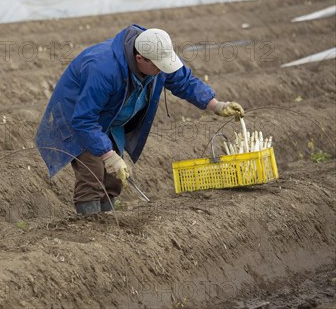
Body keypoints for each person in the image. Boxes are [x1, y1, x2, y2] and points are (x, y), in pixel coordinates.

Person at [35, 25, 244, 215]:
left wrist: (217, 105)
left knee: (115, 178)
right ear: (139, 59)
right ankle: (90, 228)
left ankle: (107, 219)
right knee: (93, 174)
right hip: (79, 117)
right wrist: (108, 155)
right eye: (158, 67)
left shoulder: (157, 55)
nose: (162, 71)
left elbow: (184, 81)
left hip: (112, 117)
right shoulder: (103, 68)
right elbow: (84, 119)